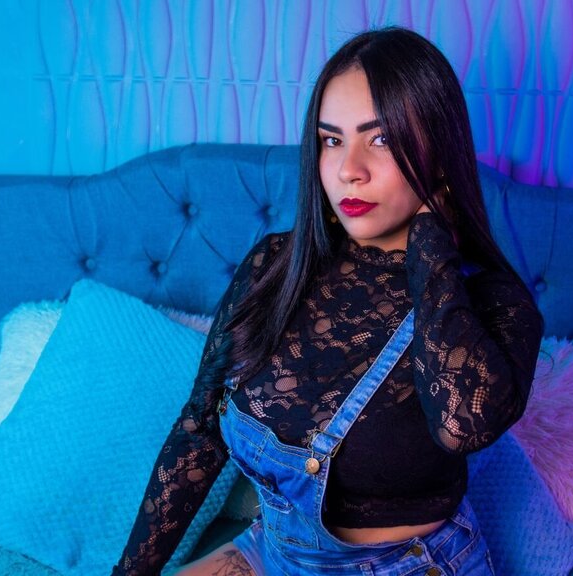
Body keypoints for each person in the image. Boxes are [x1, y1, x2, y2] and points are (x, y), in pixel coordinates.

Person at [113, 26, 543, 576]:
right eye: (332, 140)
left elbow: (463, 424)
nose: (347, 170)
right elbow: (199, 431)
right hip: (273, 551)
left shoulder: (493, 301)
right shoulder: (275, 266)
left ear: (440, 154)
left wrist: (432, 240)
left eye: (380, 140)